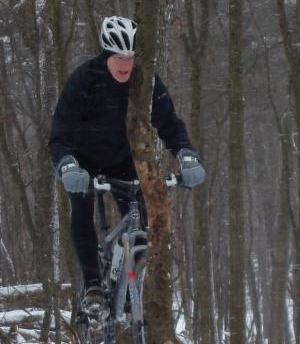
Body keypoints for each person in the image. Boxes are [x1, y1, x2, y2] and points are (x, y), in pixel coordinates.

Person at [49, 16, 205, 317]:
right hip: (84, 163)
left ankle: (130, 287)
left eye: (130, 58)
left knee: (144, 223)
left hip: (124, 160)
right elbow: (60, 134)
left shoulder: (145, 81)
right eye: (119, 58)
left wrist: (187, 155)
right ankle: (94, 285)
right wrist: (67, 166)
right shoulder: (84, 80)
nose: (125, 65)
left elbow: (170, 123)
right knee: (81, 210)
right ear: (107, 55)